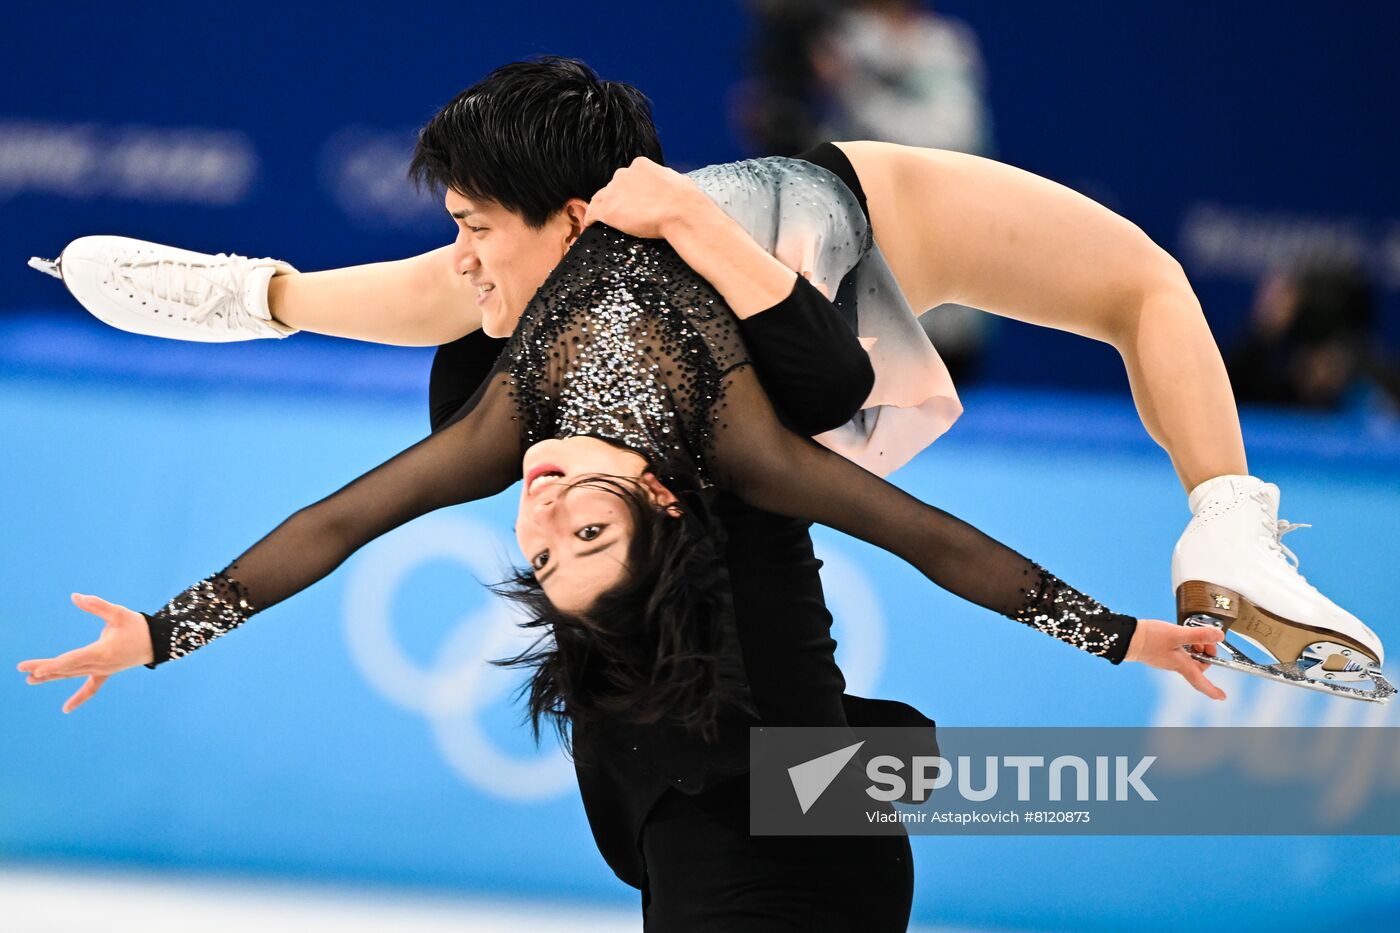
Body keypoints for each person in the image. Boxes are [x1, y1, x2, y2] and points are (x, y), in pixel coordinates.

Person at [35, 58, 1385, 699]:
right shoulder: (715, 431)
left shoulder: (528, 379)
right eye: (574, 532)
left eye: (547, 528)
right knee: (1142, 281)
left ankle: (248, 293)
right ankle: (1227, 516)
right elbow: (929, 540)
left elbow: (340, 522)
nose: (545, 502)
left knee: (453, 290)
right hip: (819, 248)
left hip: (828, 230)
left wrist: (165, 627)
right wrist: (1123, 634)